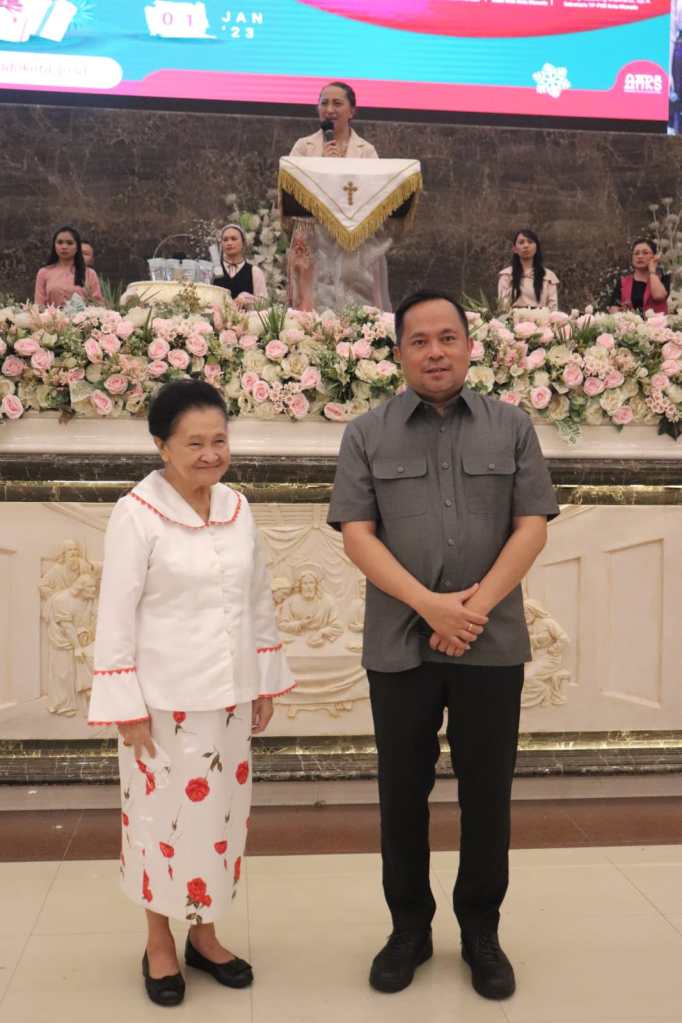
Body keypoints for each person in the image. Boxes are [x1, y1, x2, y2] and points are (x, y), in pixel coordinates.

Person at [328, 290, 559, 1001]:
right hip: (400, 644)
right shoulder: (366, 433)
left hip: (491, 642)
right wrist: (431, 606)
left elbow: (531, 526)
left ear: (468, 345)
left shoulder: (511, 426)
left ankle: (482, 930)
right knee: (402, 793)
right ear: (398, 352)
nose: (435, 352)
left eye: (447, 337)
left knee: (488, 794)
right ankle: (409, 929)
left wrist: (473, 609)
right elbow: (357, 535)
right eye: (420, 340)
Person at [88, 380, 294, 1008]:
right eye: (194, 443)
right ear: (162, 446)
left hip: (228, 699)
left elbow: (257, 597)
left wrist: (263, 679)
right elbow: (115, 614)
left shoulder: (236, 507)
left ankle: (205, 934)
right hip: (162, 706)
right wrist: (125, 707)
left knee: (219, 820)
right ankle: (159, 941)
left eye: (219, 440)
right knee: (161, 823)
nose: (210, 454)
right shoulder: (137, 514)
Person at [287, 80, 391, 312]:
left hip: (353, 240)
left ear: (352, 111)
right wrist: (323, 164)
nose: (329, 109)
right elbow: (290, 190)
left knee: (354, 308)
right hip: (313, 236)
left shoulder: (366, 151)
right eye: (324, 103)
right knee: (311, 308)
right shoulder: (304, 147)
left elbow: (374, 195)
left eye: (337, 103)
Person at [34, 225, 103, 307]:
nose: (64, 247)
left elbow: (97, 304)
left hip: (82, 315)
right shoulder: (44, 272)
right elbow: (39, 305)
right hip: (51, 315)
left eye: (69, 243)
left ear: (77, 247)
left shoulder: (89, 273)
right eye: (60, 242)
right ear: (54, 246)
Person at [497, 229, 559, 311]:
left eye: (530, 242)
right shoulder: (507, 275)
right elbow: (503, 307)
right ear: (514, 249)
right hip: (514, 318)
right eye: (521, 242)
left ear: (536, 247)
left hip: (541, 318)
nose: (526, 246)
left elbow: (553, 308)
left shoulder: (548, 276)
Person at [609, 238, 670, 314]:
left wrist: (652, 271)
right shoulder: (623, 282)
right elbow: (613, 307)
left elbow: (659, 296)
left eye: (645, 253)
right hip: (629, 321)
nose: (640, 256)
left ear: (654, 256)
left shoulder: (663, 278)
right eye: (636, 253)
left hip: (656, 321)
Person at [212, 223, 267, 304]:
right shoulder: (212, 270)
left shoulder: (254, 272)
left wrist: (248, 299)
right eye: (225, 240)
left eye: (234, 239)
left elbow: (263, 303)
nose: (229, 243)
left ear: (243, 242)